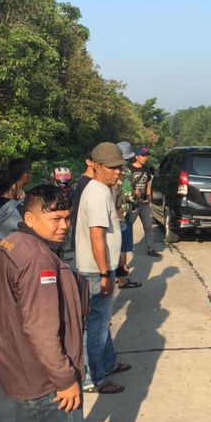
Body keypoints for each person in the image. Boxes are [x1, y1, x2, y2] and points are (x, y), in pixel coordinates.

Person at [0, 185, 84, 422]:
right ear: (29, 218)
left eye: (66, 218)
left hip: (23, 371)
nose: (63, 226)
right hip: (47, 379)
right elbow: (41, 327)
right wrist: (65, 378)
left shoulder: (9, 244)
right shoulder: (38, 258)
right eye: (54, 219)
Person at [75, 142, 130, 394]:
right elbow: (96, 235)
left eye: (119, 167)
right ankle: (92, 379)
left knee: (102, 322)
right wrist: (106, 272)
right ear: (95, 166)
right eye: (111, 168)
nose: (117, 172)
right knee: (95, 328)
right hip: (95, 271)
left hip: (100, 268)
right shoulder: (97, 193)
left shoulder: (101, 188)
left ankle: (107, 364)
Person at [115, 141, 142, 289]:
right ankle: (123, 278)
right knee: (123, 247)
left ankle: (114, 275)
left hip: (111, 212)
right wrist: (136, 195)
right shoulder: (125, 171)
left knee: (113, 246)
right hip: (123, 213)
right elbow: (127, 194)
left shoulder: (109, 169)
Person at [128, 146, 162, 257]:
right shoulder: (129, 169)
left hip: (144, 203)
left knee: (148, 226)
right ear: (136, 156)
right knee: (127, 226)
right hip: (132, 203)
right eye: (143, 155)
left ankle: (151, 248)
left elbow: (148, 183)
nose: (145, 158)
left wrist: (148, 195)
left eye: (146, 155)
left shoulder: (146, 170)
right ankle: (124, 248)